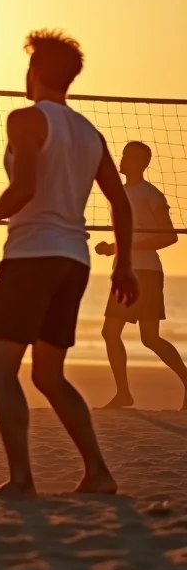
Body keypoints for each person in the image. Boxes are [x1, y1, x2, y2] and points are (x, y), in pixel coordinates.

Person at [0, 30, 138, 498]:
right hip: (74, 261)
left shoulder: (26, 118)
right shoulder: (90, 133)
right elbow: (121, 205)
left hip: (32, 255)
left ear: (34, 72)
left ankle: (22, 481)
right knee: (48, 374)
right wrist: (124, 265)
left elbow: (25, 187)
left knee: (1, 371)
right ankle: (98, 473)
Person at [97, 141, 186, 409]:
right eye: (123, 154)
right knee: (111, 332)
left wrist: (122, 247)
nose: (122, 159)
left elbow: (169, 236)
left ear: (141, 163)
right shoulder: (119, 193)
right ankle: (123, 393)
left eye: (128, 156)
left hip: (145, 273)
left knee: (149, 338)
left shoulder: (152, 195)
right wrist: (113, 248)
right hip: (125, 271)